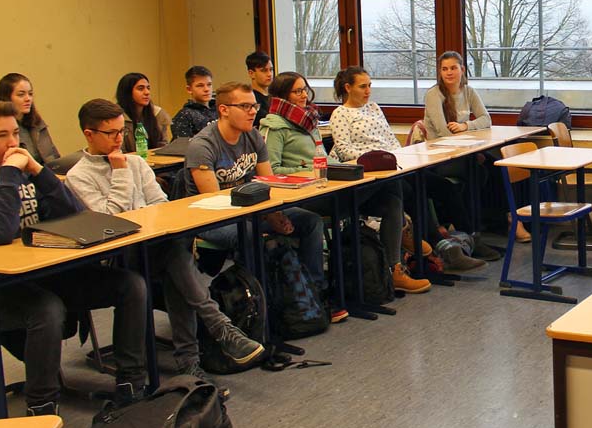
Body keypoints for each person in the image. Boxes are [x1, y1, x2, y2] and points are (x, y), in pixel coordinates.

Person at [0, 98, 147, 428]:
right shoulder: (7, 174)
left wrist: (38, 171)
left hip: (41, 273)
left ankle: (130, 385)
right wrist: (9, 174)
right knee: (46, 309)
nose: (13, 143)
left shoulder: (25, 171)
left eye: (15, 134)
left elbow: (75, 215)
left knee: (130, 285)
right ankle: (41, 412)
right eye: (1, 135)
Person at [67, 98, 264, 393]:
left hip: (156, 247)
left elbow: (161, 204)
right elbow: (109, 220)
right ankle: (216, 332)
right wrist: (120, 173)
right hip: (118, 258)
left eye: (122, 131)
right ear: (89, 134)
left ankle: (194, 357)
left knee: (175, 262)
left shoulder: (136, 163)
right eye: (111, 133)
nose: (119, 139)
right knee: (176, 257)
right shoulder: (78, 176)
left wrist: (137, 189)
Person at [183, 82, 346, 320]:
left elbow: (268, 183)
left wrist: (274, 214)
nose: (253, 112)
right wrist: (266, 217)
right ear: (224, 110)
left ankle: (313, 294)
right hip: (211, 219)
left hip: (253, 210)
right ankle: (261, 306)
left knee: (311, 221)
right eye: (245, 106)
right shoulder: (203, 145)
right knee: (249, 233)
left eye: (254, 106)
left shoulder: (252, 136)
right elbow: (216, 202)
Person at [261, 71, 419, 284]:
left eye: (305, 90)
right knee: (390, 183)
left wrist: (344, 169)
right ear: (282, 96)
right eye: (297, 92)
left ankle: (393, 269)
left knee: (391, 197)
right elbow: (271, 171)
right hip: (307, 197)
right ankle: (407, 248)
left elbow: (323, 158)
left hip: (327, 185)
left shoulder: (308, 120)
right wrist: (307, 170)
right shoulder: (274, 126)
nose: (304, 95)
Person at [330, 66, 472, 286]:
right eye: (362, 86)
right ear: (348, 88)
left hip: (393, 163)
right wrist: (377, 157)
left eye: (370, 86)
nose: (368, 91)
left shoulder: (374, 107)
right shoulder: (340, 114)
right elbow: (344, 151)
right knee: (407, 189)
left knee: (438, 185)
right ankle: (435, 245)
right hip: (371, 170)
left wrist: (397, 156)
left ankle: (465, 238)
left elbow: (390, 139)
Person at [421, 51, 502, 260]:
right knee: (476, 170)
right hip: (440, 158)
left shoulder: (468, 91)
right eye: (444, 69)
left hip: (463, 153)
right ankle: (473, 234)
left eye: (453, 68)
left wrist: (466, 125)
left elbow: (486, 119)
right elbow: (443, 132)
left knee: (495, 166)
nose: (449, 73)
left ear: (462, 70)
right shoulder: (434, 95)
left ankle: (497, 223)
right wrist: (469, 146)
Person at [0, 73, 60, 166]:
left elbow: (54, 157)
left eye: (30, 94)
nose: (28, 99)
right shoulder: (2, 127)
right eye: (21, 95)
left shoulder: (37, 123)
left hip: (48, 172)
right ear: (7, 98)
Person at [116, 72, 171, 152]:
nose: (147, 92)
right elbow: (118, 150)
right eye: (140, 88)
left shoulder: (157, 113)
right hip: (127, 159)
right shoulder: (116, 116)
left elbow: (163, 146)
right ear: (127, 92)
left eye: (148, 88)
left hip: (154, 159)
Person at [170, 65, 219, 139]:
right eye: (200, 86)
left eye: (209, 84)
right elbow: (183, 144)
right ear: (189, 89)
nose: (206, 89)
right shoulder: (184, 116)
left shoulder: (220, 109)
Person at [246, 51, 274, 128]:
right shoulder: (250, 99)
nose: (269, 74)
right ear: (251, 73)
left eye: (271, 69)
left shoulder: (275, 96)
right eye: (264, 70)